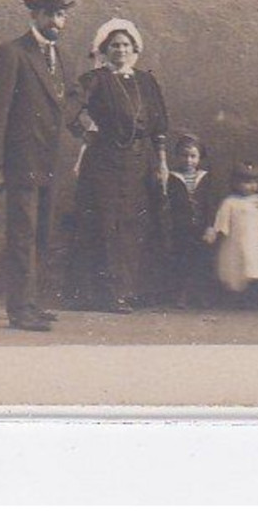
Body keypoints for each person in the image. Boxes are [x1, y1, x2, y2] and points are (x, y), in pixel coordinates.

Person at [0, 0, 77, 333]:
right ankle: (19, 310)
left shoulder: (58, 56)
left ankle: (32, 303)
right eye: (48, 13)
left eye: (60, 14)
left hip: (48, 163)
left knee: (41, 235)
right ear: (35, 14)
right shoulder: (12, 53)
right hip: (21, 163)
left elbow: (62, 104)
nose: (55, 20)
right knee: (22, 235)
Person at [69, 18, 170, 314]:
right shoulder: (95, 79)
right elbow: (72, 108)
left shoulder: (146, 81)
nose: (121, 50)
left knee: (134, 224)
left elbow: (159, 124)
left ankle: (131, 290)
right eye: (114, 45)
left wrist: (162, 162)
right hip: (104, 161)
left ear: (134, 48)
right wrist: (88, 127)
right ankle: (103, 294)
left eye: (126, 45)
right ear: (104, 49)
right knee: (106, 223)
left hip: (139, 162)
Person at [205, 162, 258, 298]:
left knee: (256, 264)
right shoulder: (230, 202)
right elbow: (222, 220)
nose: (252, 186)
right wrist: (216, 232)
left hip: (257, 240)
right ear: (236, 183)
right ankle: (239, 295)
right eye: (247, 182)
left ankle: (256, 293)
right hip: (237, 240)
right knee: (240, 264)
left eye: (255, 182)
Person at [159, 133, 216, 308]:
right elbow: (169, 204)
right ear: (177, 156)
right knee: (182, 261)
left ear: (199, 157)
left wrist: (210, 226)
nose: (188, 160)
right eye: (184, 155)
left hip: (201, 228)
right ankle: (181, 294)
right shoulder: (173, 178)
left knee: (202, 262)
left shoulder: (206, 178)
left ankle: (201, 294)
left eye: (193, 156)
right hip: (182, 229)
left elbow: (211, 204)